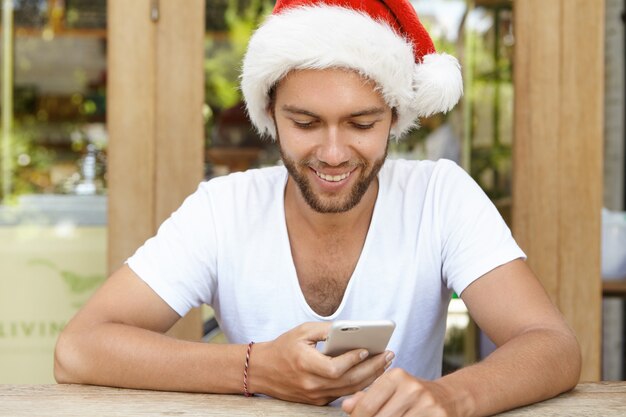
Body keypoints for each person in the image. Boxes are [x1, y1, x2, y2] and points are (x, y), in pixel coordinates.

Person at [54, 0, 581, 416]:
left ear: (394, 117)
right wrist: (255, 369)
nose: (333, 154)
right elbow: (79, 349)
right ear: (270, 115)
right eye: (305, 123)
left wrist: (451, 398)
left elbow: (552, 346)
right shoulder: (223, 208)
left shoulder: (439, 195)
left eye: (361, 123)